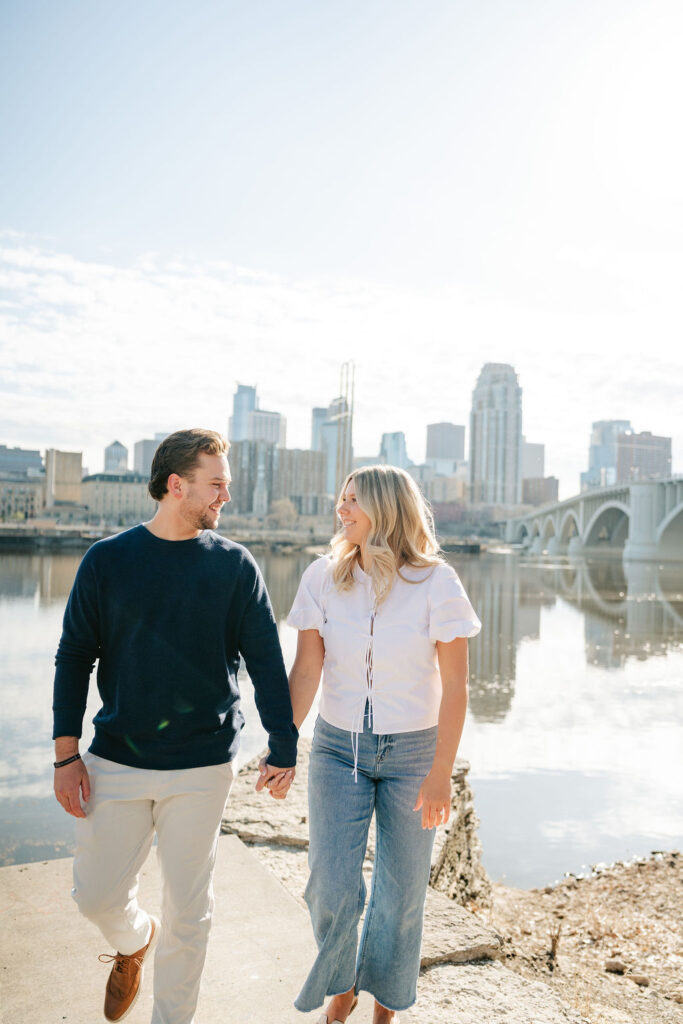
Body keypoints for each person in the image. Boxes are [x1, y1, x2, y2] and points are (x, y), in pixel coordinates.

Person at [52, 428, 297, 1024]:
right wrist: (66, 755)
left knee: (191, 908)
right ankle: (135, 939)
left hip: (204, 764)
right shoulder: (107, 560)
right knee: (97, 896)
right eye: (217, 486)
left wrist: (283, 745)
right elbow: (74, 656)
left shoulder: (236, 567)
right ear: (175, 484)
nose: (225, 498)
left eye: (228, 487)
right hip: (116, 757)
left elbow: (266, 660)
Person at [286, 465, 481, 1024]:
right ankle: (342, 983)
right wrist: (283, 744)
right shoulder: (322, 576)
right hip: (336, 747)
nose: (340, 510)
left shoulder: (437, 583)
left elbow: (457, 686)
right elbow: (306, 670)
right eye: (340, 499)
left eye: (353, 501)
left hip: (414, 755)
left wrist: (441, 769)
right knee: (330, 883)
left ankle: (385, 1006)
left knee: (400, 896)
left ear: (386, 509)